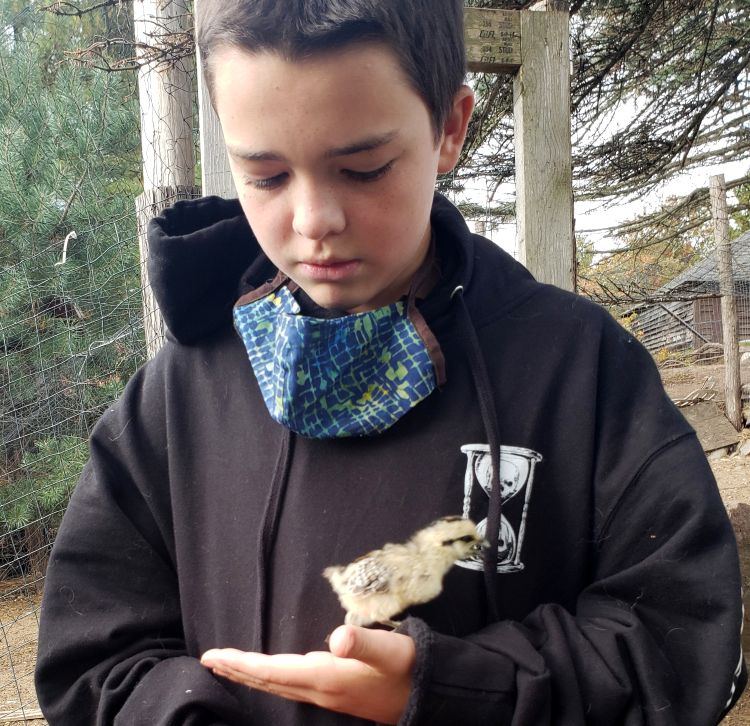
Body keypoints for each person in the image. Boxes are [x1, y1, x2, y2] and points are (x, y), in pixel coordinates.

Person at [35, 1, 746, 724]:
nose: (314, 220)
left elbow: (683, 641)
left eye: (364, 168)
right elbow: (91, 655)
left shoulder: (582, 371)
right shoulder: (177, 396)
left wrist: (455, 690)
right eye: (267, 175)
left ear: (450, 128)